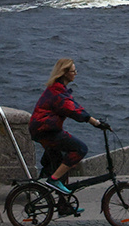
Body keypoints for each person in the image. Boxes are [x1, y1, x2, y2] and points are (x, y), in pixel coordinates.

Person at [29, 58, 108, 210]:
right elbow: (73, 110)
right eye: (73, 71)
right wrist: (95, 123)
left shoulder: (59, 89)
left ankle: (63, 205)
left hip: (44, 129)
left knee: (61, 165)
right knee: (80, 149)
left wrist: (95, 120)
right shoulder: (58, 92)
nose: (76, 74)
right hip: (45, 130)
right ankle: (53, 180)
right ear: (65, 73)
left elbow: (75, 105)